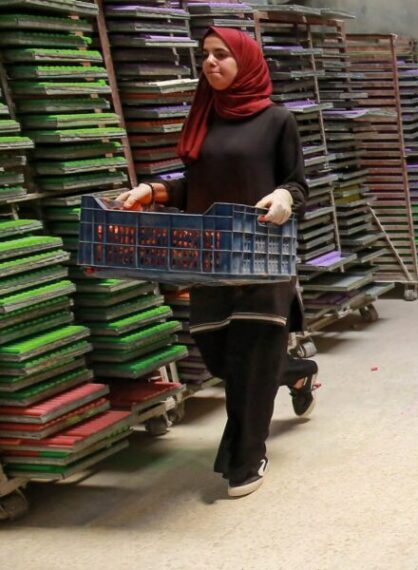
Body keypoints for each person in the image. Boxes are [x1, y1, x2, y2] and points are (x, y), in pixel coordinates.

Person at [116, 27, 317, 498]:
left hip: (262, 255)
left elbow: (299, 183)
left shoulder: (276, 120)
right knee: (224, 359)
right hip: (209, 258)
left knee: (250, 359)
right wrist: (156, 190)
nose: (210, 63)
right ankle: (296, 372)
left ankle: (247, 458)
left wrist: (286, 195)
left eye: (221, 55)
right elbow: (198, 186)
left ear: (244, 61)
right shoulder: (203, 119)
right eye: (205, 55)